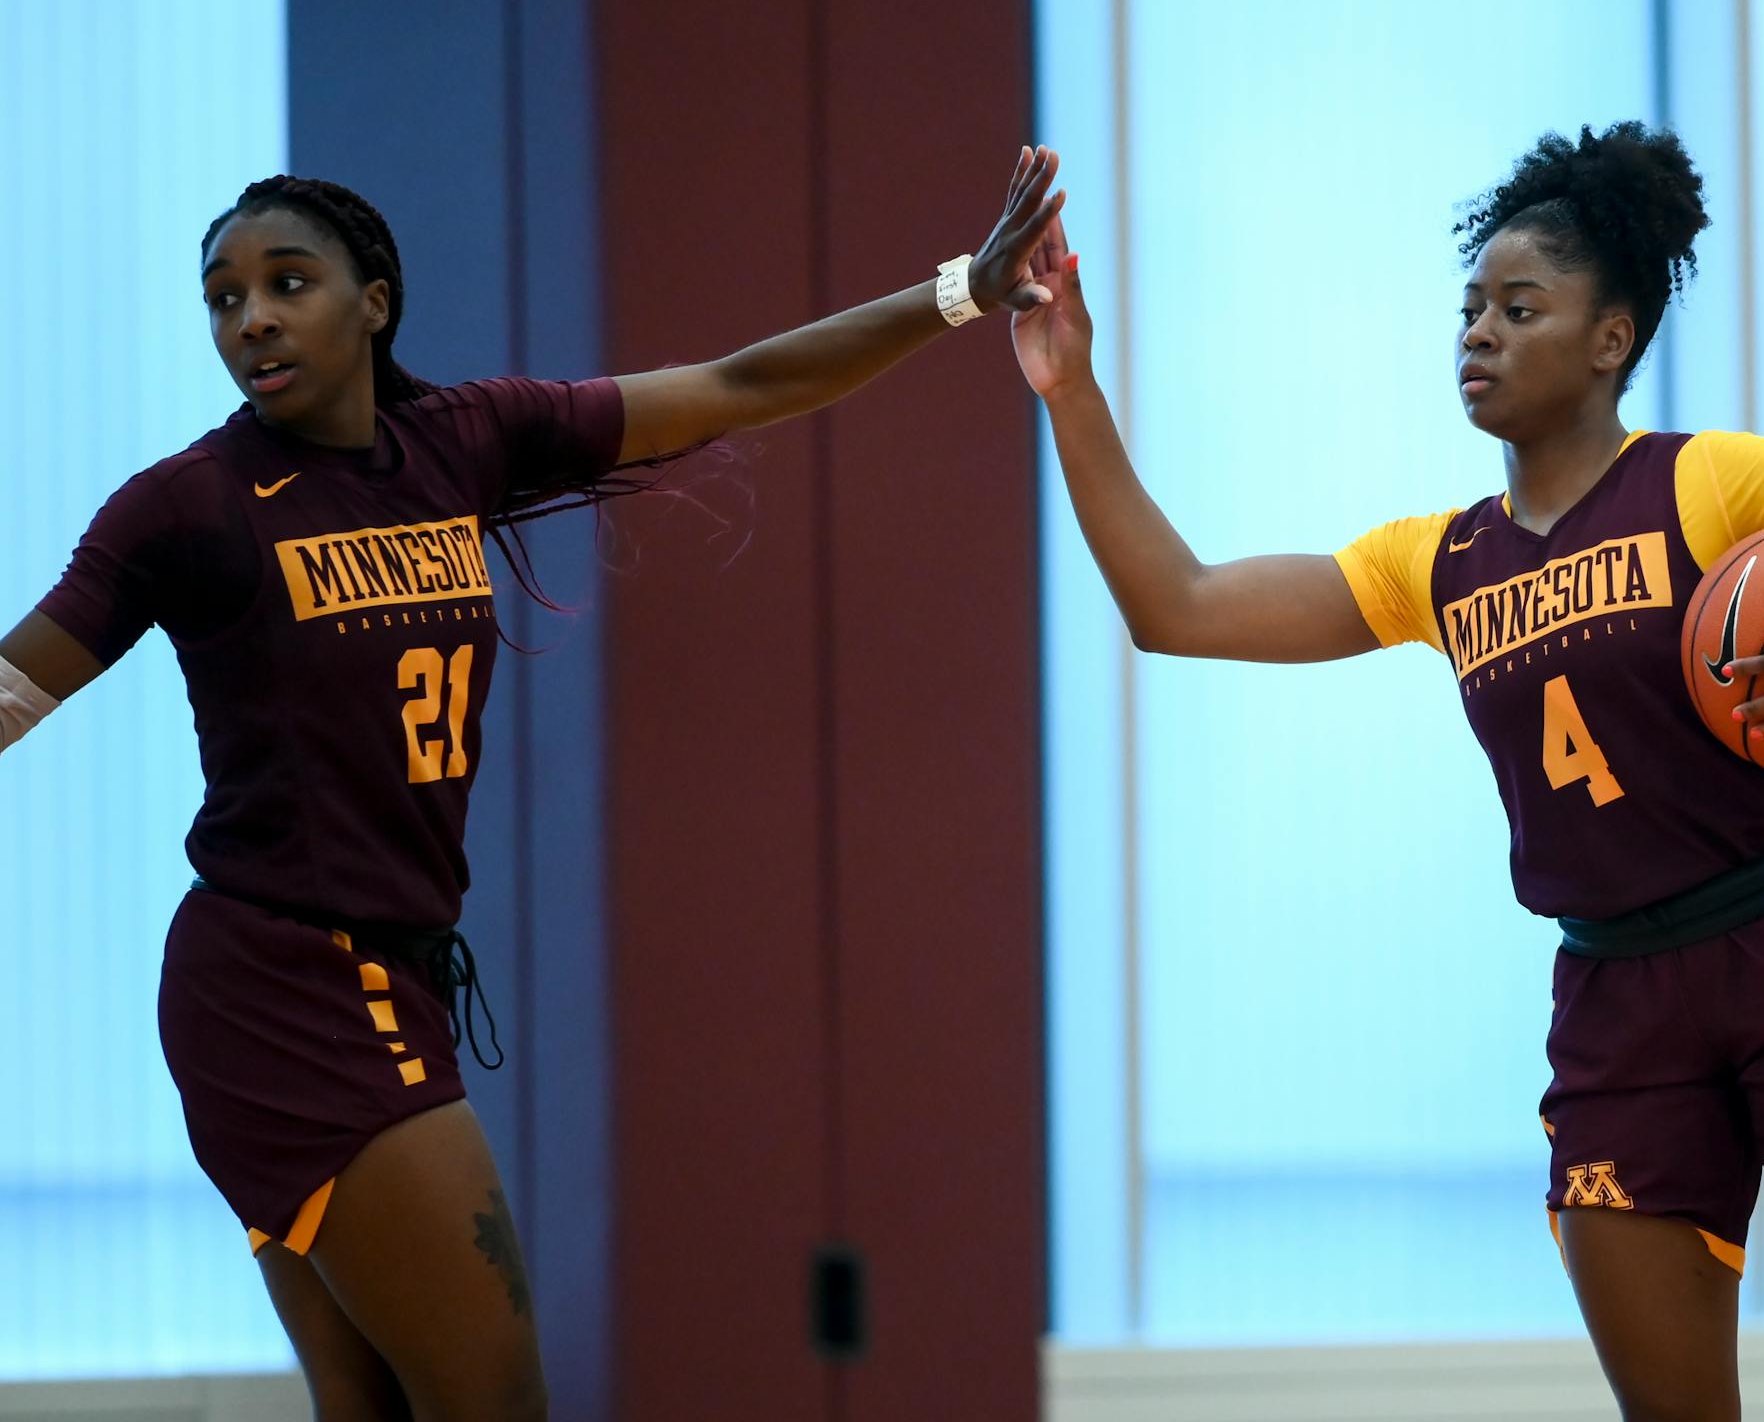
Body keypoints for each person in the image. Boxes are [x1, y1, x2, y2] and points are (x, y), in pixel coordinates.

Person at [0, 149, 1064, 1420]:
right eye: (224, 299)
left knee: (379, 1406)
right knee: (496, 1404)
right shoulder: (186, 507)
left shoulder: (464, 440)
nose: (254, 320)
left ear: (375, 299)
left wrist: (961, 292)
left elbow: (737, 383)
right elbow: (14, 688)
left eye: (288, 283)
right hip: (285, 985)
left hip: (391, 971)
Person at [1013, 127, 1764, 1420]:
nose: (1479, 335)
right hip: (1616, 1005)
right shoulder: (1437, 562)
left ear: (1609, 338)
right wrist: (1072, 391)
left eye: (1519, 308)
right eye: (1469, 311)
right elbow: (1177, 605)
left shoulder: (1714, 480)